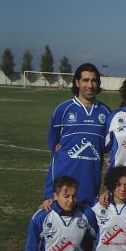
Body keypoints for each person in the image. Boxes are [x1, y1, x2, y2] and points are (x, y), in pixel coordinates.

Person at [44, 63, 110, 206]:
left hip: (90, 185)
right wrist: (50, 194)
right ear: (77, 82)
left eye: (94, 80)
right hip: (63, 186)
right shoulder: (63, 110)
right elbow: (54, 145)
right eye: (85, 80)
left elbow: (107, 146)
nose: (90, 85)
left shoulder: (105, 112)